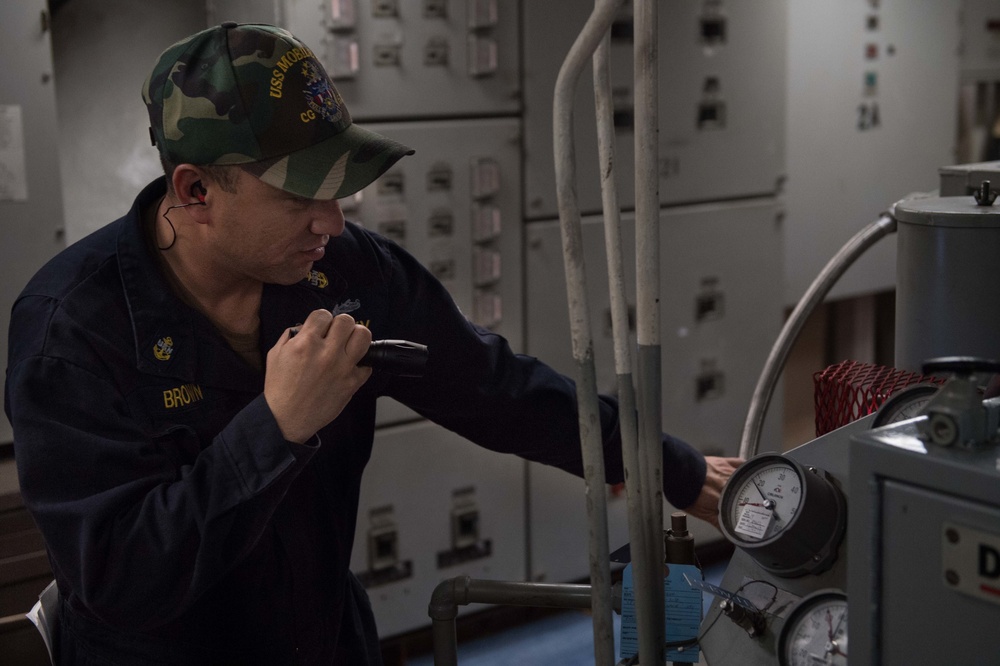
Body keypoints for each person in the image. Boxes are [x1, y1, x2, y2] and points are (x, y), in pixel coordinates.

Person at [4, 22, 741, 665]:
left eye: (339, 186)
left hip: (321, 637)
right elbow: (119, 579)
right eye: (300, 196)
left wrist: (666, 466)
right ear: (196, 192)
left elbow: (494, 387)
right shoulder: (73, 328)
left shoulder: (344, 268)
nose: (331, 220)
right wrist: (276, 429)